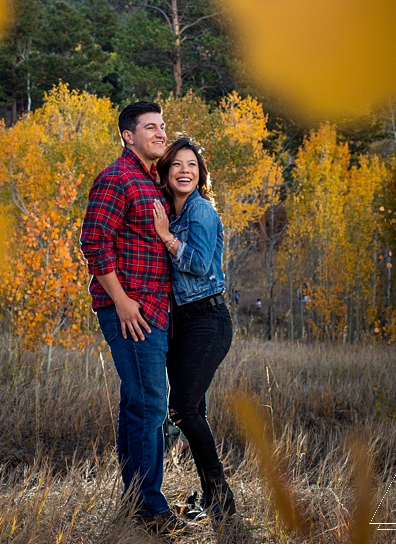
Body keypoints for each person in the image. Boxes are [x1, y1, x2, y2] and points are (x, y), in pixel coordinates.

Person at [80, 101, 184, 534]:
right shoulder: (116, 178)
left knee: (137, 404)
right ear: (128, 136)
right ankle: (150, 509)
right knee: (150, 406)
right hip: (131, 312)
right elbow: (93, 242)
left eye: (162, 126)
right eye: (150, 127)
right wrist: (121, 300)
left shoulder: (152, 183)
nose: (160, 133)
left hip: (154, 310)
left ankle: (135, 498)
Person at [151, 136, 236, 520]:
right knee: (193, 409)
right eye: (177, 165)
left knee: (182, 408)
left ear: (200, 174)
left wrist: (166, 237)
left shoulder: (199, 212)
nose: (185, 171)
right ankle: (212, 498)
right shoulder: (174, 212)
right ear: (166, 174)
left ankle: (221, 496)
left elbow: (201, 265)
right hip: (182, 323)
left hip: (208, 319)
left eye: (192, 165)